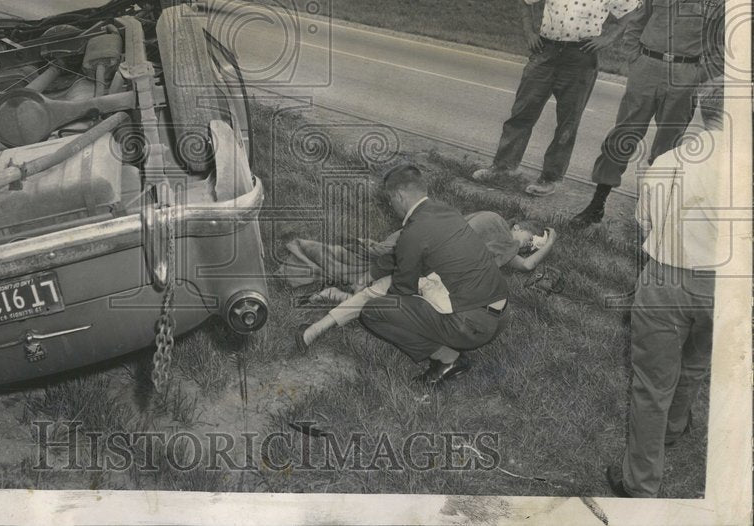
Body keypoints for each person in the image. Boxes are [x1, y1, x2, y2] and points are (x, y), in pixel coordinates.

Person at [606, 81, 726, 497]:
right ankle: (675, 427)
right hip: (727, 284)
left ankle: (640, 484)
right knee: (696, 360)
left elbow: (645, 222)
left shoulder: (671, 160)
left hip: (668, 278)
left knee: (652, 385)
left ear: (700, 110)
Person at [472, 0, 640, 197]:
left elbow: (633, 13)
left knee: (568, 122)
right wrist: (529, 32)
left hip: (581, 58)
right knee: (522, 112)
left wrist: (608, 39)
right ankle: (502, 167)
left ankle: (550, 178)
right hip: (546, 53)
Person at [573, 0, 725, 225]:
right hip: (647, 69)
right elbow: (636, 23)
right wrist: (636, 59)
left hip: (684, 77)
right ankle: (596, 205)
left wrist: (699, 75)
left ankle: (648, 214)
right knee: (623, 135)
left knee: (667, 147)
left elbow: (720, 47)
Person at [297, 214, 557, 349]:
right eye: (529, 241)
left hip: (436, 275)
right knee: (379, 291)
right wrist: (548, 241)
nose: (525, 248)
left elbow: (525, 263)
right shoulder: (499, 229)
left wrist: (542, 243)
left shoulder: (503, 243)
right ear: (519, 227)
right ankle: (324, 318)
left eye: (530, 246)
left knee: (384, 296)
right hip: (429, 267)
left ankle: (335, 299)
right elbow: (527, 263)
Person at [354, 164, 510, 385]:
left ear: (398, 196)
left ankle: (448, 360)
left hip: (472, 326)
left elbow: (403, 290)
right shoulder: (445, 211)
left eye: (389, 199)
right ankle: (449, 335)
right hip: (501, 316)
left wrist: (371, 291)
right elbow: (409, 250)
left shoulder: (414, 231)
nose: (390, 205)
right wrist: (373, 271)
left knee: (374, 311)